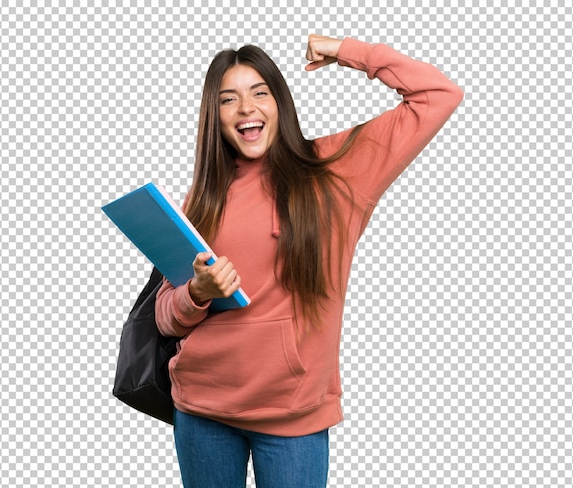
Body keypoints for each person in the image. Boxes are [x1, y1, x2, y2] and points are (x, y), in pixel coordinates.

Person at [155, 33, 463, 488]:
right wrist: (196, 294)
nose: (246, 109)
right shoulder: (202, 198)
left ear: (281, 102)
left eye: (260, 92)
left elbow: (438, 94)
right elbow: (165, 320)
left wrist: (346, 51)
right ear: (214, 117)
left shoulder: (337, 171)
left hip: (293, 417)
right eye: (228, 99)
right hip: (201, 411)